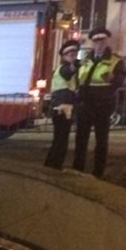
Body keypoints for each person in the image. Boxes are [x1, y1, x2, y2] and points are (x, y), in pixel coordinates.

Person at [72, 27, 126, 179]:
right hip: (85, 103)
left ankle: (98, 172)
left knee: (101, 139)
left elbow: (125, 79)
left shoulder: (115, 60)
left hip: (103, 104)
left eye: (102, 41)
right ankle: (77, 168)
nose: (99, 44)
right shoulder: (85, 59)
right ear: (92, 42)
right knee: (81, 138)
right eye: (96, 41)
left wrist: (114, 79)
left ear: (107, 41)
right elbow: (79, 78)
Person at [43, 40, 80, 170]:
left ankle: (51, 164)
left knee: (59, 138)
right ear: (64, 56)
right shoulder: (64, 68)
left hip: (61, 107)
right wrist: (76, 65)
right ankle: (54, 165)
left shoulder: (62, 68)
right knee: (61, 139)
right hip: (62, 109)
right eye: (70, 54)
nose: (73, 56)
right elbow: (68, 71)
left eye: (75, 54)